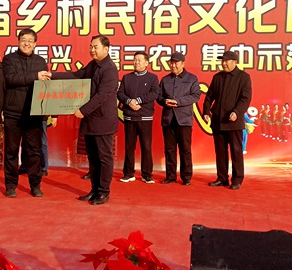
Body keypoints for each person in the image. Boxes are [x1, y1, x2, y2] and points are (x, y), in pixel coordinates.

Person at [51, 35, 119, 205]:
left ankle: (104, 192)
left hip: (103, 120)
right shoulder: (93, 65)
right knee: (93, 157)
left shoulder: (110, 69)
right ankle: (94, 189)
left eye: (96, 47)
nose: (92, 50)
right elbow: (76, 76)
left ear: (106, 49)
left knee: (104, 157)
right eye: (91, 47)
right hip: (90, 120)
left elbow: (102, 95)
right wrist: (52, 75)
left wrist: (83, 110)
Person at [2, 28, 50, 198]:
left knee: (34, 151)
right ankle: (10, 185)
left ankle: (35, 185)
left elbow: (46, 86)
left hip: (34, 113)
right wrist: (35, 76)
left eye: (30, 40)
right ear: (18, 41)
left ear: (35, 44)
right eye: (24, 40)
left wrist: (49, 111)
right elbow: (11, 79)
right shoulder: (9, 59)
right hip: (13, 112)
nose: (27, 43)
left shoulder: (40, 61)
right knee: (11, 151)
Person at [202, 50, 252, 190]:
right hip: (218, 121)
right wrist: (206, 112)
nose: (223, 63)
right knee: (220, 152)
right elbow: (209, 96)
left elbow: (245, 99)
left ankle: (237, 179)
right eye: (222, 61)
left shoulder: (243, 77)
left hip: (233, 122)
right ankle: (222, 178)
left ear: (234, 62)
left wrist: (236, 112)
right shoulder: (217, 77)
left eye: (226, 61)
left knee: (236, 152)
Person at [156, 51, 200, 186]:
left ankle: (186, 177)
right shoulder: (165, 79)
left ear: (183, 64)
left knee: (185, 149)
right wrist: (164, 102)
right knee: (169, 149)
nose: (173, 65)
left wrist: (178, 102)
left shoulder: (192, 78)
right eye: (171, 63)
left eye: (176, 63)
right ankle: (170, 176)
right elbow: (158, 96)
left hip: (184, 119)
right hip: (168, 119)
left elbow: (196, 95)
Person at [117, 51, 159, 184]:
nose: (136, 62)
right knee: (129, 147)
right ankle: (128, 173)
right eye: (135, 60)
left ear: (146, 63)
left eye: (139, 60)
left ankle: (147, 175)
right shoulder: (127, 78)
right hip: (130, 117)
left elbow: (154, 93)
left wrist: (138, 100)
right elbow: (120, 93)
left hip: (145, 117)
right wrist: (129, 101)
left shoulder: (152, 78)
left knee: (146, 147)